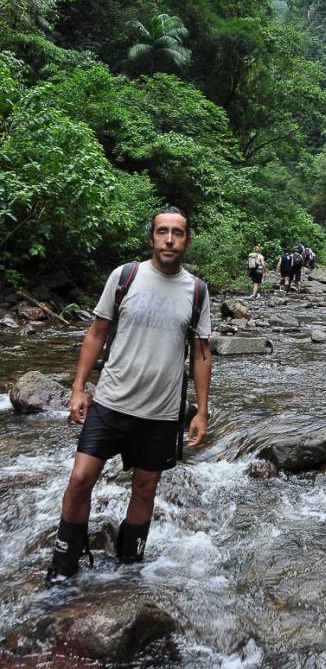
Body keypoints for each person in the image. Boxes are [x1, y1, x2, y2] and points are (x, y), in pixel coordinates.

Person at [46, 206, 212, 585]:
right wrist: (78, 388)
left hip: (161, 411)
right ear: (151, 237)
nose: (169, 239)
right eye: (162, 232)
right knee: (80, 479)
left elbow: (202, 355)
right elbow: (96, 333)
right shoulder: (125, 277)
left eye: (178, 233)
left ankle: (129, 563)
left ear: (187, 241)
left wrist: (201, 411)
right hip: (110, 402)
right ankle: (63, 564)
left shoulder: (197, 292)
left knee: (144, 488)